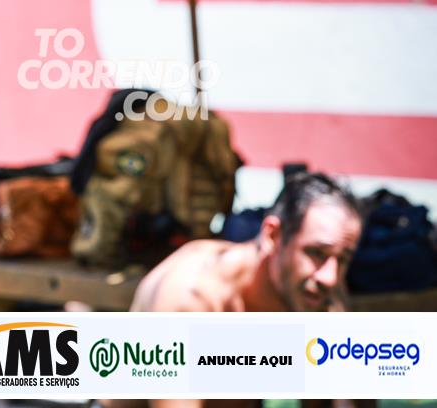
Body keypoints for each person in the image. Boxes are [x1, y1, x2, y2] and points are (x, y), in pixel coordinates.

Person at [102, 172, 363, 408]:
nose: (330, 277)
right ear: (273, 236)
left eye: (343, 259)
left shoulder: (317, 291)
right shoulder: (192, 297)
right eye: (316, 253)